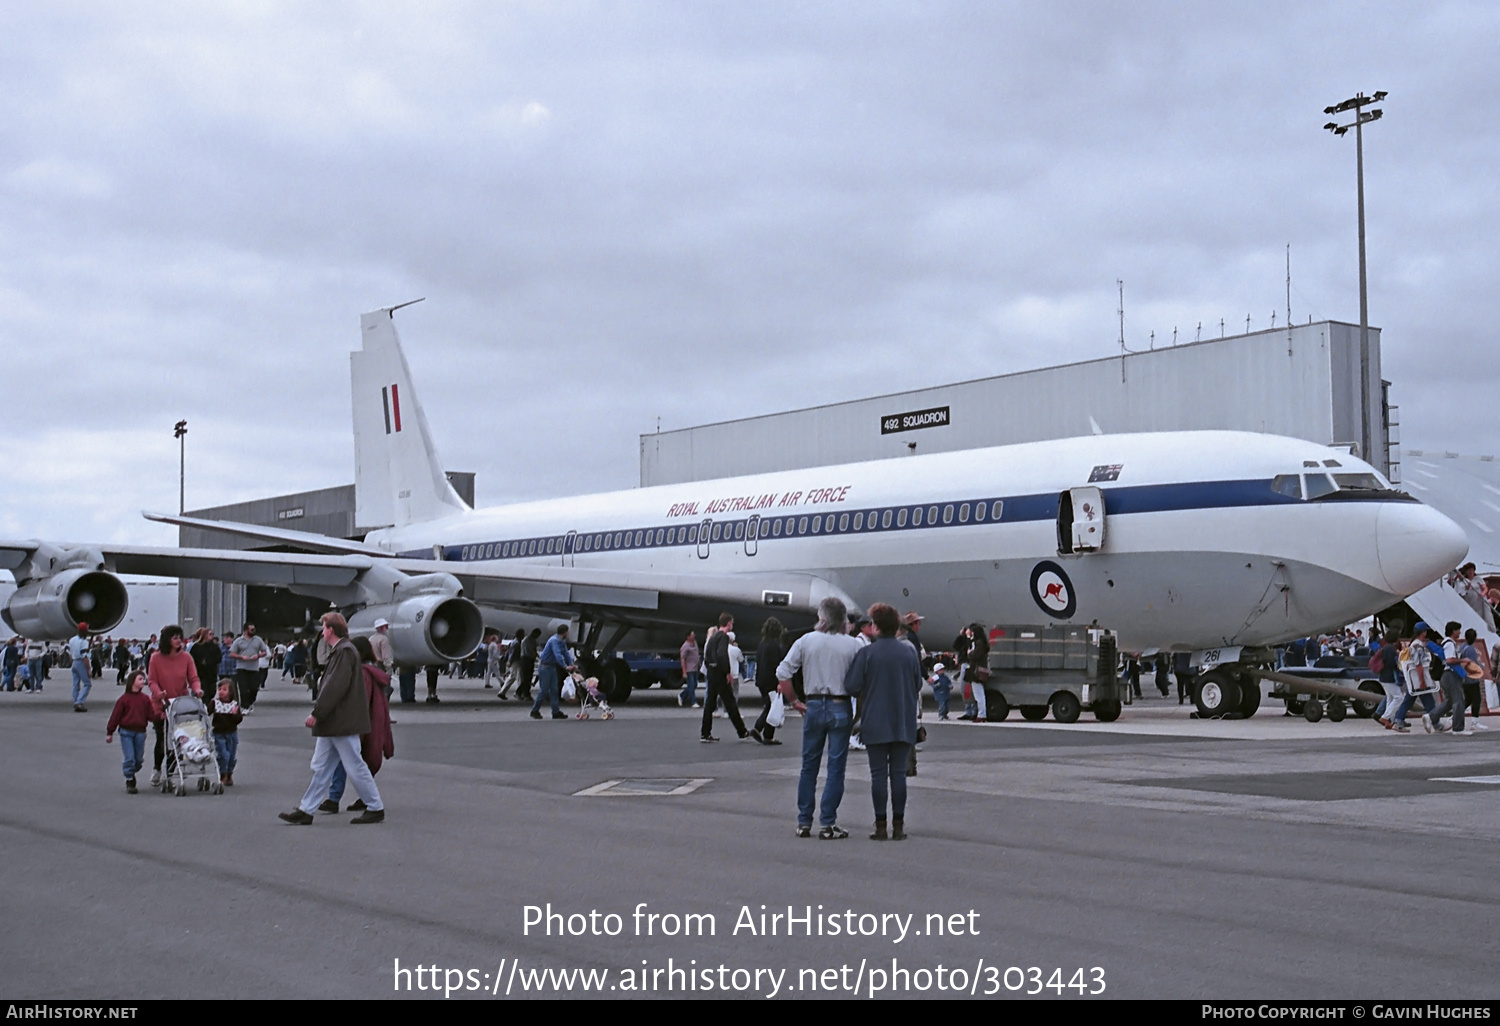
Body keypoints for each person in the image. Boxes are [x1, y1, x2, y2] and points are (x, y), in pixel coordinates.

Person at [278, 613, 386, 825]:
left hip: (339, 721)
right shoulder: (344, 650)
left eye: (324, 627)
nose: (322, 631)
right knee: (323, 766)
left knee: (351, 765)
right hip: (337, 721)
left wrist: (317, 713)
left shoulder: (344, 652)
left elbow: (334, 687)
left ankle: (375, 806)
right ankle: (306, 809)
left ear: (331, 630)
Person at [777, 596, 862, 839]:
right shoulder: (853, 645)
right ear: (843, 619)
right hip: (840, 704)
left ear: (822, 618)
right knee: (836, 767)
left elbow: (783, 673)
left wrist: (794, 701)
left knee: (809, 766)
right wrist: (859, 712)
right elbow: (862, 679)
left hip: (813, 703)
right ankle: (828, 822)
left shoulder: (806, 641)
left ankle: (804, 821)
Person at [844, 603, 922, 840]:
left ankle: (880, 825)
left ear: (876, 627)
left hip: (875, 721)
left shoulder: (867, 654)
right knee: (898, 774)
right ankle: (898, 825)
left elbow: (852, 685)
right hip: (902, 720)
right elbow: (917, 684)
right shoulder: (908, 652)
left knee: (878, 775)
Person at [318, 635, 394, 813]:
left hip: (356, 723)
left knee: (343, 761)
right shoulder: (373, 670)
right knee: (361, 762)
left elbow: (360, 699)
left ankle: (337, 798)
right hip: (371, 723)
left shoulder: (361, 673)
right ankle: (365, 798)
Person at [146, 625, 203, 786]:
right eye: (175, 638)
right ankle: (157, 768)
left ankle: (170, 773)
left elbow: (193, 678)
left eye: (180, 637)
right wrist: (158, 693)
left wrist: (197, 690)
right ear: (167, 640)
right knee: (163, 739)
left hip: (179, 704)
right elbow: (152, 681)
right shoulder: (155, 658)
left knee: (177, 740)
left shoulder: (186, 658)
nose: (179, 641)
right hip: (161, 705)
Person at [701, 614, 750, 742]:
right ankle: (742, 731)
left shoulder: (713, 637)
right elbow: (722, 654)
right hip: (720, 674)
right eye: (732, 623)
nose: (732, 625)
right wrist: (727, 672)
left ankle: (705, 733)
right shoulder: (723, 637)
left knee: (710, 703)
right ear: (728, 623)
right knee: (730, 702)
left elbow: (707, 656)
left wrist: (711, 667)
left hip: (712, 672)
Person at [106, 671, 156, 794]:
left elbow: (151, 715)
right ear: (132, 681)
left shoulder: (145, 699)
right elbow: (115, 716)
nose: (143, 681)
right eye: (140, 679)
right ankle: (130, 780)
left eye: (143, 679)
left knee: (138, 759)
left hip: (140, 732)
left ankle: (132, 771)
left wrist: (160, 715)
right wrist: (110, 732)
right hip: (126, 732)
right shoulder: (124, 699)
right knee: (129, 758)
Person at [1425, 621, 1471, 735]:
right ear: (1453, 631)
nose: (1460, 632)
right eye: (1458, 630)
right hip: (1451, 675)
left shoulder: (1446, 642)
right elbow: (1450, 660)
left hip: (1446, 676)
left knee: (1450, 701)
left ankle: (1431, 716)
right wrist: (1463, 660)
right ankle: (1458, 728)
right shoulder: (1450, 643)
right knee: (1458, 701)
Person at [750, 618, 787, 744]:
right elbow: (777, 665)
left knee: (770, 705)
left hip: (761, 679)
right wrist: (780, 682)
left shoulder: (762, 644)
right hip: (771, 680)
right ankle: (761, 730)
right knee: (772, 706)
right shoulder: (776, 645)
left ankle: (764, 732)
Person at [530, 624, 575, 720]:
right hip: (545, 667)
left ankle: (555, 711)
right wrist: (565, 666)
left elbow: (566, 653)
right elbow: (558, 654)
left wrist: (571, 664)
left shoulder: (561, 641)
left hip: (552, 667)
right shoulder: (554, 641)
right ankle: (535, 710)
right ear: (565, 632)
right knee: (544, 690)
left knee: (554, 690)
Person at [210, 679, 243, 786]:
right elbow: (206, 712)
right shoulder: (215, 702)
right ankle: (223, 773)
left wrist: (235, 714)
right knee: (223, 755)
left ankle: (229, 773)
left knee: (231, 755)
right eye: (219, 689)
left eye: (224, 689)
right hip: (219, 733)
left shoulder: (234, 704)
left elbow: (238, 720)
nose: (221, 691)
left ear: (230, 692)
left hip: (231, 733)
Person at [230, 623, 269, 712]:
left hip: (254, 668)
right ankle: (245, 706)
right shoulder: (239, 641)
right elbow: (232, 653)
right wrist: (241, 657)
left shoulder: (258, 640)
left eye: (254, 629)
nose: (253, 631)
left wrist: (258, 656)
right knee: (243, 688)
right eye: (251, 630)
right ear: (246, 630)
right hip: (242, 667)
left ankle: (251, 702)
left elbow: (264, 652)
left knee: (254, 687)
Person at [67, 623, 93, 711]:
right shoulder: (84, 642)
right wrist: (88, 669)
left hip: (74, 662)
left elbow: (70, 652)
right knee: (87, 684)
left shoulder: (72, 640)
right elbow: (85, 657)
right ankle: (79, 702)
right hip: (81, 662)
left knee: (75, 684)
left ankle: (75, 700)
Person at [679, 630, 702, 708]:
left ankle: (682, 695)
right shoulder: (685, 646)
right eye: (692, 635)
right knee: (691, 685)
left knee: (694, 684)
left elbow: (697, 654)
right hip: (689, 669)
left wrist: (699, 664)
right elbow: (682, 659)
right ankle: (693, 702)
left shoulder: (694, 643)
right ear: (688, 637)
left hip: (695, 668)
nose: (694, 636)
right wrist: (684, 672)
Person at [518, 628, 540, 702]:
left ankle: (524, 693)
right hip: (527, 659)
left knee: (528, 677)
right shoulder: (529, 640)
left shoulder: (530, 640)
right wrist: (536, 656)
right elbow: (531, 650)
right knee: (527, 677)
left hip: (528, 659)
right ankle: (523, 693)